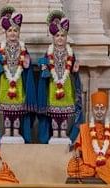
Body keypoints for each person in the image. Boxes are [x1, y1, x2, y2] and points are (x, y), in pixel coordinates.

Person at [0, 6, 36, 143]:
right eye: (10, 31)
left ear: (19, 32)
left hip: (19, 81)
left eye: (15, 30)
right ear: (5, 33)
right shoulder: (1, 47)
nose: (12, 33)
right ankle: (7, 132)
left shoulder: (22, 47)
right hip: (5, 81)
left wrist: (27, 61)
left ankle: (16, 133)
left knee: (17, 111)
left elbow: (27, 62)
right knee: (6, 111)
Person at [38, 10, 83, 144]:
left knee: (64, 112)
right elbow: (44, 65)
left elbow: (73, 67)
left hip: (66, 83)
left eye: (63, 35)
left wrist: (75, 70)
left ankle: (62, 133)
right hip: (52, 84)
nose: (60, 38)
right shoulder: (49, 51)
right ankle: (55, 133)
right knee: (54, 112)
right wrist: (43, 66)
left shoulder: (70, 51)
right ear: (53, 37)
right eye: (57, 35)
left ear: (66, 37)